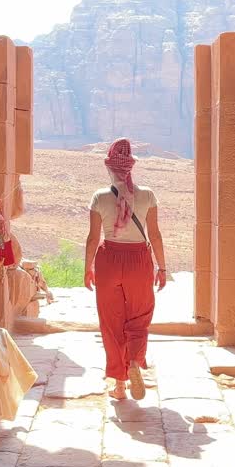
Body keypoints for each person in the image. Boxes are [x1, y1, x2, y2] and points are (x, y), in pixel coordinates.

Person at [84, 138, 168, 400]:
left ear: (110, 168)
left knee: (111, 322)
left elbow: (92, 238)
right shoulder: (147, 196)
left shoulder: (99, 197)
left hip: (108, 260)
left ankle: (119, 385)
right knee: (139, 317)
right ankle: (134, 361)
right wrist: (162, 268)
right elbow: (155, 236)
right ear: (131, 167)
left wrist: (88, 268)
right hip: (139, 261)